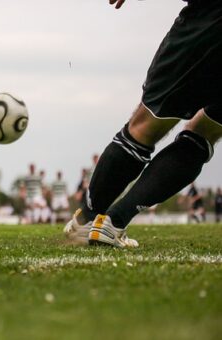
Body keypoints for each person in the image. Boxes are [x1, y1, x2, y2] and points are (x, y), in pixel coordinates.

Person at [65, 0, 222, 247]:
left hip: (210, 19)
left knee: (144, 126)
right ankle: (113, 223)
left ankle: (88, 219)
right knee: (204, 134)